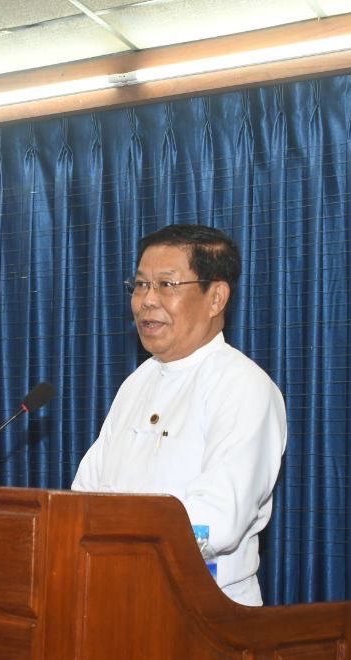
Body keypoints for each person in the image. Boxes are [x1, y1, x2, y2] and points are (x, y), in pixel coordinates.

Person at [72, 224, 286, 606]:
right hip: (114, 593)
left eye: (166, 285)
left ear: (216, 297)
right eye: (140, 284)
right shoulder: (136, 384)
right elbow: (84, 495)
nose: (146, 301)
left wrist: (111, 535)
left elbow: (217, 521)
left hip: (203, 609)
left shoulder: (243, 386)